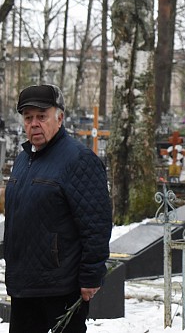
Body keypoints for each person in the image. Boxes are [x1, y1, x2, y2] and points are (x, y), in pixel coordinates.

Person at [4, 84, 112, 333]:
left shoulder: (78, 160)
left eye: (42, 116)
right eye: (28, 117)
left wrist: (91, 276)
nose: (34, 123)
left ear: (59, 118)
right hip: (24, 285)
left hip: (60, 287)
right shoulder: (24, 159)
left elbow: (96, 223)